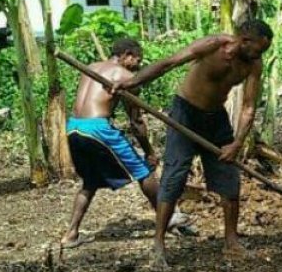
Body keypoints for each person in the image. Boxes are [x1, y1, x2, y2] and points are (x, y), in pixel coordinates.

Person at [112, 20, 273, 265]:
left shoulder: (253, 65)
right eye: (258, 49)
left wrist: (237, 143)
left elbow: (249, 106)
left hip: (215, 119)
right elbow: (169, 63)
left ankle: (231, 243)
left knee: (229, 178)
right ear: (245, 40)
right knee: (174, 176)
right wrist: (132, 82)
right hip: (184, 113)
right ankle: (158, 245)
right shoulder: (213, 45)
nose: (260, 55)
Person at [61, 38, 195, 250]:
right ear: (127, 56)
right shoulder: (126, 77)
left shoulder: (92, 67)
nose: (139, 65)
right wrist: (149, 151)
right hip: (98, 128)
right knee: (143, 171)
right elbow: (136, 121)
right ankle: (168, 218)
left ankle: (71, 235)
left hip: (74, 126)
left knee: (90, 181)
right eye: (137, 60)